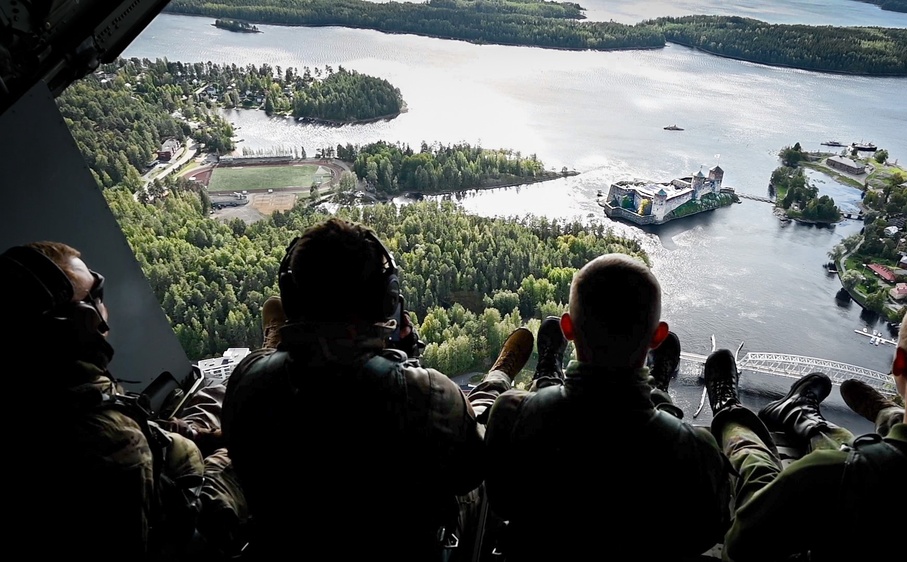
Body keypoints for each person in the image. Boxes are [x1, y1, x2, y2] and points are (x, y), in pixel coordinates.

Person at [221, 218, 531, 561]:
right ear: (387, 301)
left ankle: (279, 340)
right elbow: (468, 474)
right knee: (480, 434)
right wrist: (404, 364)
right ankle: (497, 380)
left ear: (293, 298)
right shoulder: (424, 393)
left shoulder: (246, 380)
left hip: (290, 548)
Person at [705, 290, 907, 561]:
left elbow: (739, 547)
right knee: (854, 450)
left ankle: (730, 412)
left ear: (899, 365)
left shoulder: (831, 475)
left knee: (758, 467)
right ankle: (815, 416)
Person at [484, 253, 732, 562]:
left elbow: (501, 501)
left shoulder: (512, 415)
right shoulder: (696, 452)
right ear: (657, 336)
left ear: (568, 328)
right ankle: (660, 392)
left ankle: (547, 376)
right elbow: (708, 530)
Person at [3, 241, 209, 561]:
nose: (103, 308)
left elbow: (121, 413)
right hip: (189, 512)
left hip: (161, 460)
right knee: (233, 417)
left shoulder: (59, 383)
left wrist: (179, 433)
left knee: (206, 410)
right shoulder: (112, 441)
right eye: (94, 296)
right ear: (79, 322)